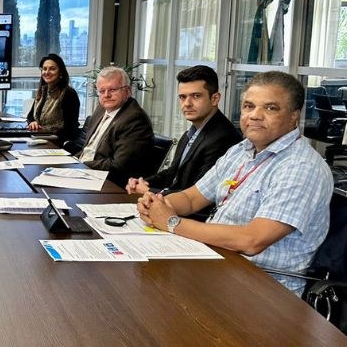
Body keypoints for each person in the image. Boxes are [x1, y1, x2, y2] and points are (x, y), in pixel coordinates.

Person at [137, 71, 332, 296]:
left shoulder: (300, 167)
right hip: (216, 265)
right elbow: (191, 198)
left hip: (263, 289)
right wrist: (158, 205)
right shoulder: (241, 150)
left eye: (270, 108)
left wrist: (171, 222)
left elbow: (252, 240)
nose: (255, 115)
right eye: (249, 106)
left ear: (293, 116)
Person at [126, 65, 242, 222]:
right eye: (182, 97)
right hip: (172, 208)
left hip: (193, 218)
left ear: (215, 99)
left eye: (196, 96)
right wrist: (145, 182)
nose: (187, 103)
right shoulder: (193, 131)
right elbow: (173, 172)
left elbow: (198, 193)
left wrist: (149, 190)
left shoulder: (224, 137)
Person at [79, 66, 154, 187]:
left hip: (109, 183)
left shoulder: (134, 119)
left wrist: (81, 165)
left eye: (112, 90)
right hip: (86, 173)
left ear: (127, 91)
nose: (106, 95)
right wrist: (72, 162)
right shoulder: (101, 109)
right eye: (102, 91)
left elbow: (119, 165)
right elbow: (88, 150)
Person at [26, 53, 80, 145]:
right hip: (39, 138)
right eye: (44, 69)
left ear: (61, 72)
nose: (47, 72)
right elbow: (30, 116)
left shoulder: (68, 94)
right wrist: (32, 122)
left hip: (56, 142)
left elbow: (70, 128)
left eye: (52, 69)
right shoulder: (43, 90)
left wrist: (48, 137)